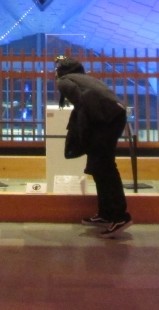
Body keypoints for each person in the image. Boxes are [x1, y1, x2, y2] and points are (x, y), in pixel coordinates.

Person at [55, 56, 132, 237]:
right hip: (113, 116)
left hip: (105, 120)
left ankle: (120, 216)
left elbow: (83, 103)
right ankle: (106, 214)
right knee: (99, 167)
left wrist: (84, 134)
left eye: (57, 69)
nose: (55, 73)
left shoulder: (65, 81)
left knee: (105, 167)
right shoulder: (84, 78)